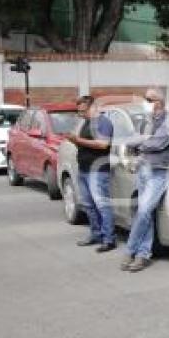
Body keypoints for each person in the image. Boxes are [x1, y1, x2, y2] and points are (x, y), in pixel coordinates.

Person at [121, 88, 169, 273]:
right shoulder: (146, 120)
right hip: (143, 169)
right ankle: (143, 254)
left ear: (158, 102)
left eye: (148, 99)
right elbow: (130, 140)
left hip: (159, 171)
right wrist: (145, 139)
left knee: (144, 210)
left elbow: (159, 142)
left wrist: (143, 141)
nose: (145, 102)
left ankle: (130, 250)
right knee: (145, 212)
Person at [66, 96, 116, 252]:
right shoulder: (86, 122)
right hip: (84, 168)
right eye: (79, 111)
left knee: (102, 205)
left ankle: (109, 239)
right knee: (88, 204)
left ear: (93, 107)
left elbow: (103, 144)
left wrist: (78, 140)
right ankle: (96, 234)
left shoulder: (103, 122)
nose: (81, 114)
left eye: (84, 111)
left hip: (98, 170)